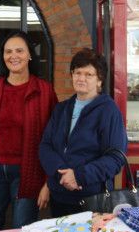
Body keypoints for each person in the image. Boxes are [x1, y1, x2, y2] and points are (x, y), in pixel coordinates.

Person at [0, 31, 58, 231]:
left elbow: (55, 140)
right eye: (8, 51)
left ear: (29, 55)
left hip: (29, 172)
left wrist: (48, 182)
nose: (13, 56)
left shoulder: (44, 91)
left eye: (19, 50)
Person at [39, 49, 128, 217]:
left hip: (92, 200)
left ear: (99, 80)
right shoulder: (61, 109)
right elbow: (46, 146)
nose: (81, 78)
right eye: (78, 72)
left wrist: (78, 176)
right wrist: (62, 173)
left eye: (89, 74)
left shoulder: (108, 111)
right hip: (59, 196)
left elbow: (116, 158)